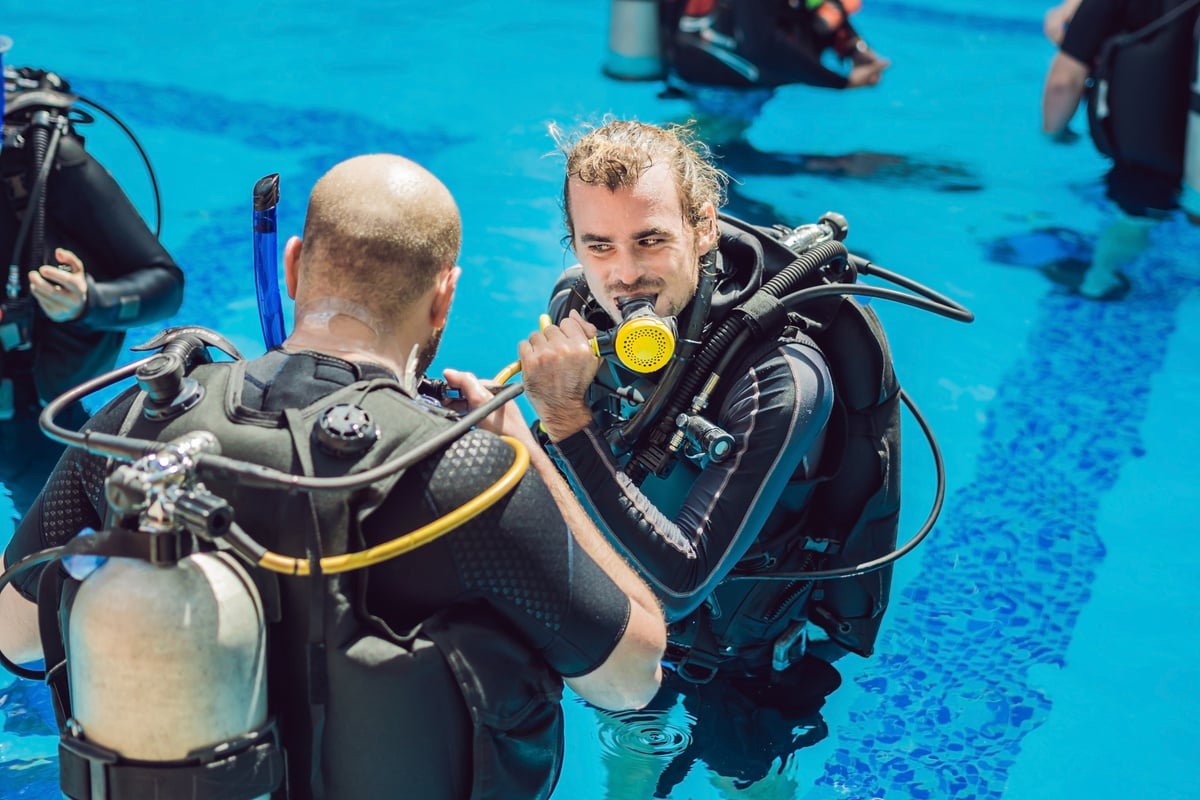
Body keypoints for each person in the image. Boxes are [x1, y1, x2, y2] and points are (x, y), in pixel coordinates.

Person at [0, 153, 666, 800]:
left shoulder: (139, 420)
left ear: (291, 268)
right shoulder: (467, 476)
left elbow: (13, 633)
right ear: (444, 298)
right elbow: (633, 677)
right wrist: (529, 453)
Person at [506, 119, 901, 795]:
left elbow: (688, 575)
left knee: (744, 779)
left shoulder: (781, 376)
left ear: (704, 227)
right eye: (598, 245)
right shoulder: (579, 311)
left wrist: (566, 423)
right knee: (629, 767)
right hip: (626, 628)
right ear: (574, 245)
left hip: (744, 660)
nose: (624, 274)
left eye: (650, 240)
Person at [1, 56, 184, 519]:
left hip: (27, 412)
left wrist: (86, 302)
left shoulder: (45, 165)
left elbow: (164, 287)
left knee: (64, 551)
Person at [1041, 0, 1200, 300]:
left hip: (1149, 161)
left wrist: (1053, 134)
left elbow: (1063, 83)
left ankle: (1099, 281)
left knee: (1131, 225)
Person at [657, 0, 891, 145]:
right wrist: (842, 82)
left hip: (730, 77)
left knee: (714, 145)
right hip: (725, 87)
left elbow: (818, 8)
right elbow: (763, 46)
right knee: (705, 147)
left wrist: (854, 48)